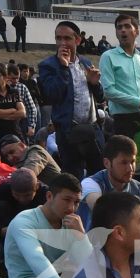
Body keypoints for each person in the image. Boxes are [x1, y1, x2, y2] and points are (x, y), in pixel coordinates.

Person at [3, 172, 92, 278]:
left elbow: (90, 264)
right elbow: (37, 259)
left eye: (76, 202)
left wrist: (81, 236)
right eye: (66, 200)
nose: (71, 207)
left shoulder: (71, 223)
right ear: (49, 196)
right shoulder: (24, 222)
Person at [37, 21, 105, 178]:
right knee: (73, 179)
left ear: (78, 40)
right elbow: (52, 96)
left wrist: (95, 84)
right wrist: (63, 68)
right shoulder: (48, 65)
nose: (62, 43)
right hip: (68, 132)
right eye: (58, 38)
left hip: (92, 129)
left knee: (101, 174)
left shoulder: (86, 63)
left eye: (67, 38)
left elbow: (100, 97)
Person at [98, 10, 140, 156]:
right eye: (119, 27)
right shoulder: (108, 57)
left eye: (127, 26)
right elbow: (109, 91)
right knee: (127, 169)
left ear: (136, 31)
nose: (123, 30)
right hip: (123, 122)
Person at [79, 132, 140, 229]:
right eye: (123, 163)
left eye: (132, 162)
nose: (130, 168)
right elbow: (102, 213)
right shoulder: (91, 184)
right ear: (107, 163)